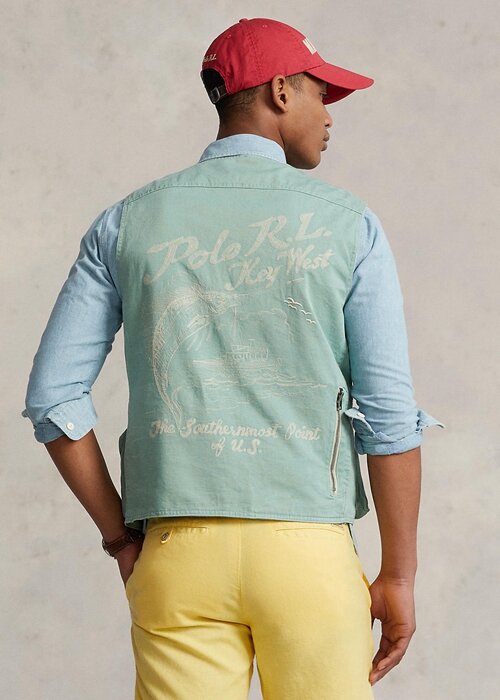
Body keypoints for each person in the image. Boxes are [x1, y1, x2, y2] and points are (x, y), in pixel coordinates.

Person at [22, 17, 444, 700]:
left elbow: (52, 399)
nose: (329, 117)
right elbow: (389, 417)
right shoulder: (350, 225)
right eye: (321, 94)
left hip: (177, 555)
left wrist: (119, 539)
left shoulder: (126, 222)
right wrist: (398, 574)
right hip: (309, 554)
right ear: (280, 91)